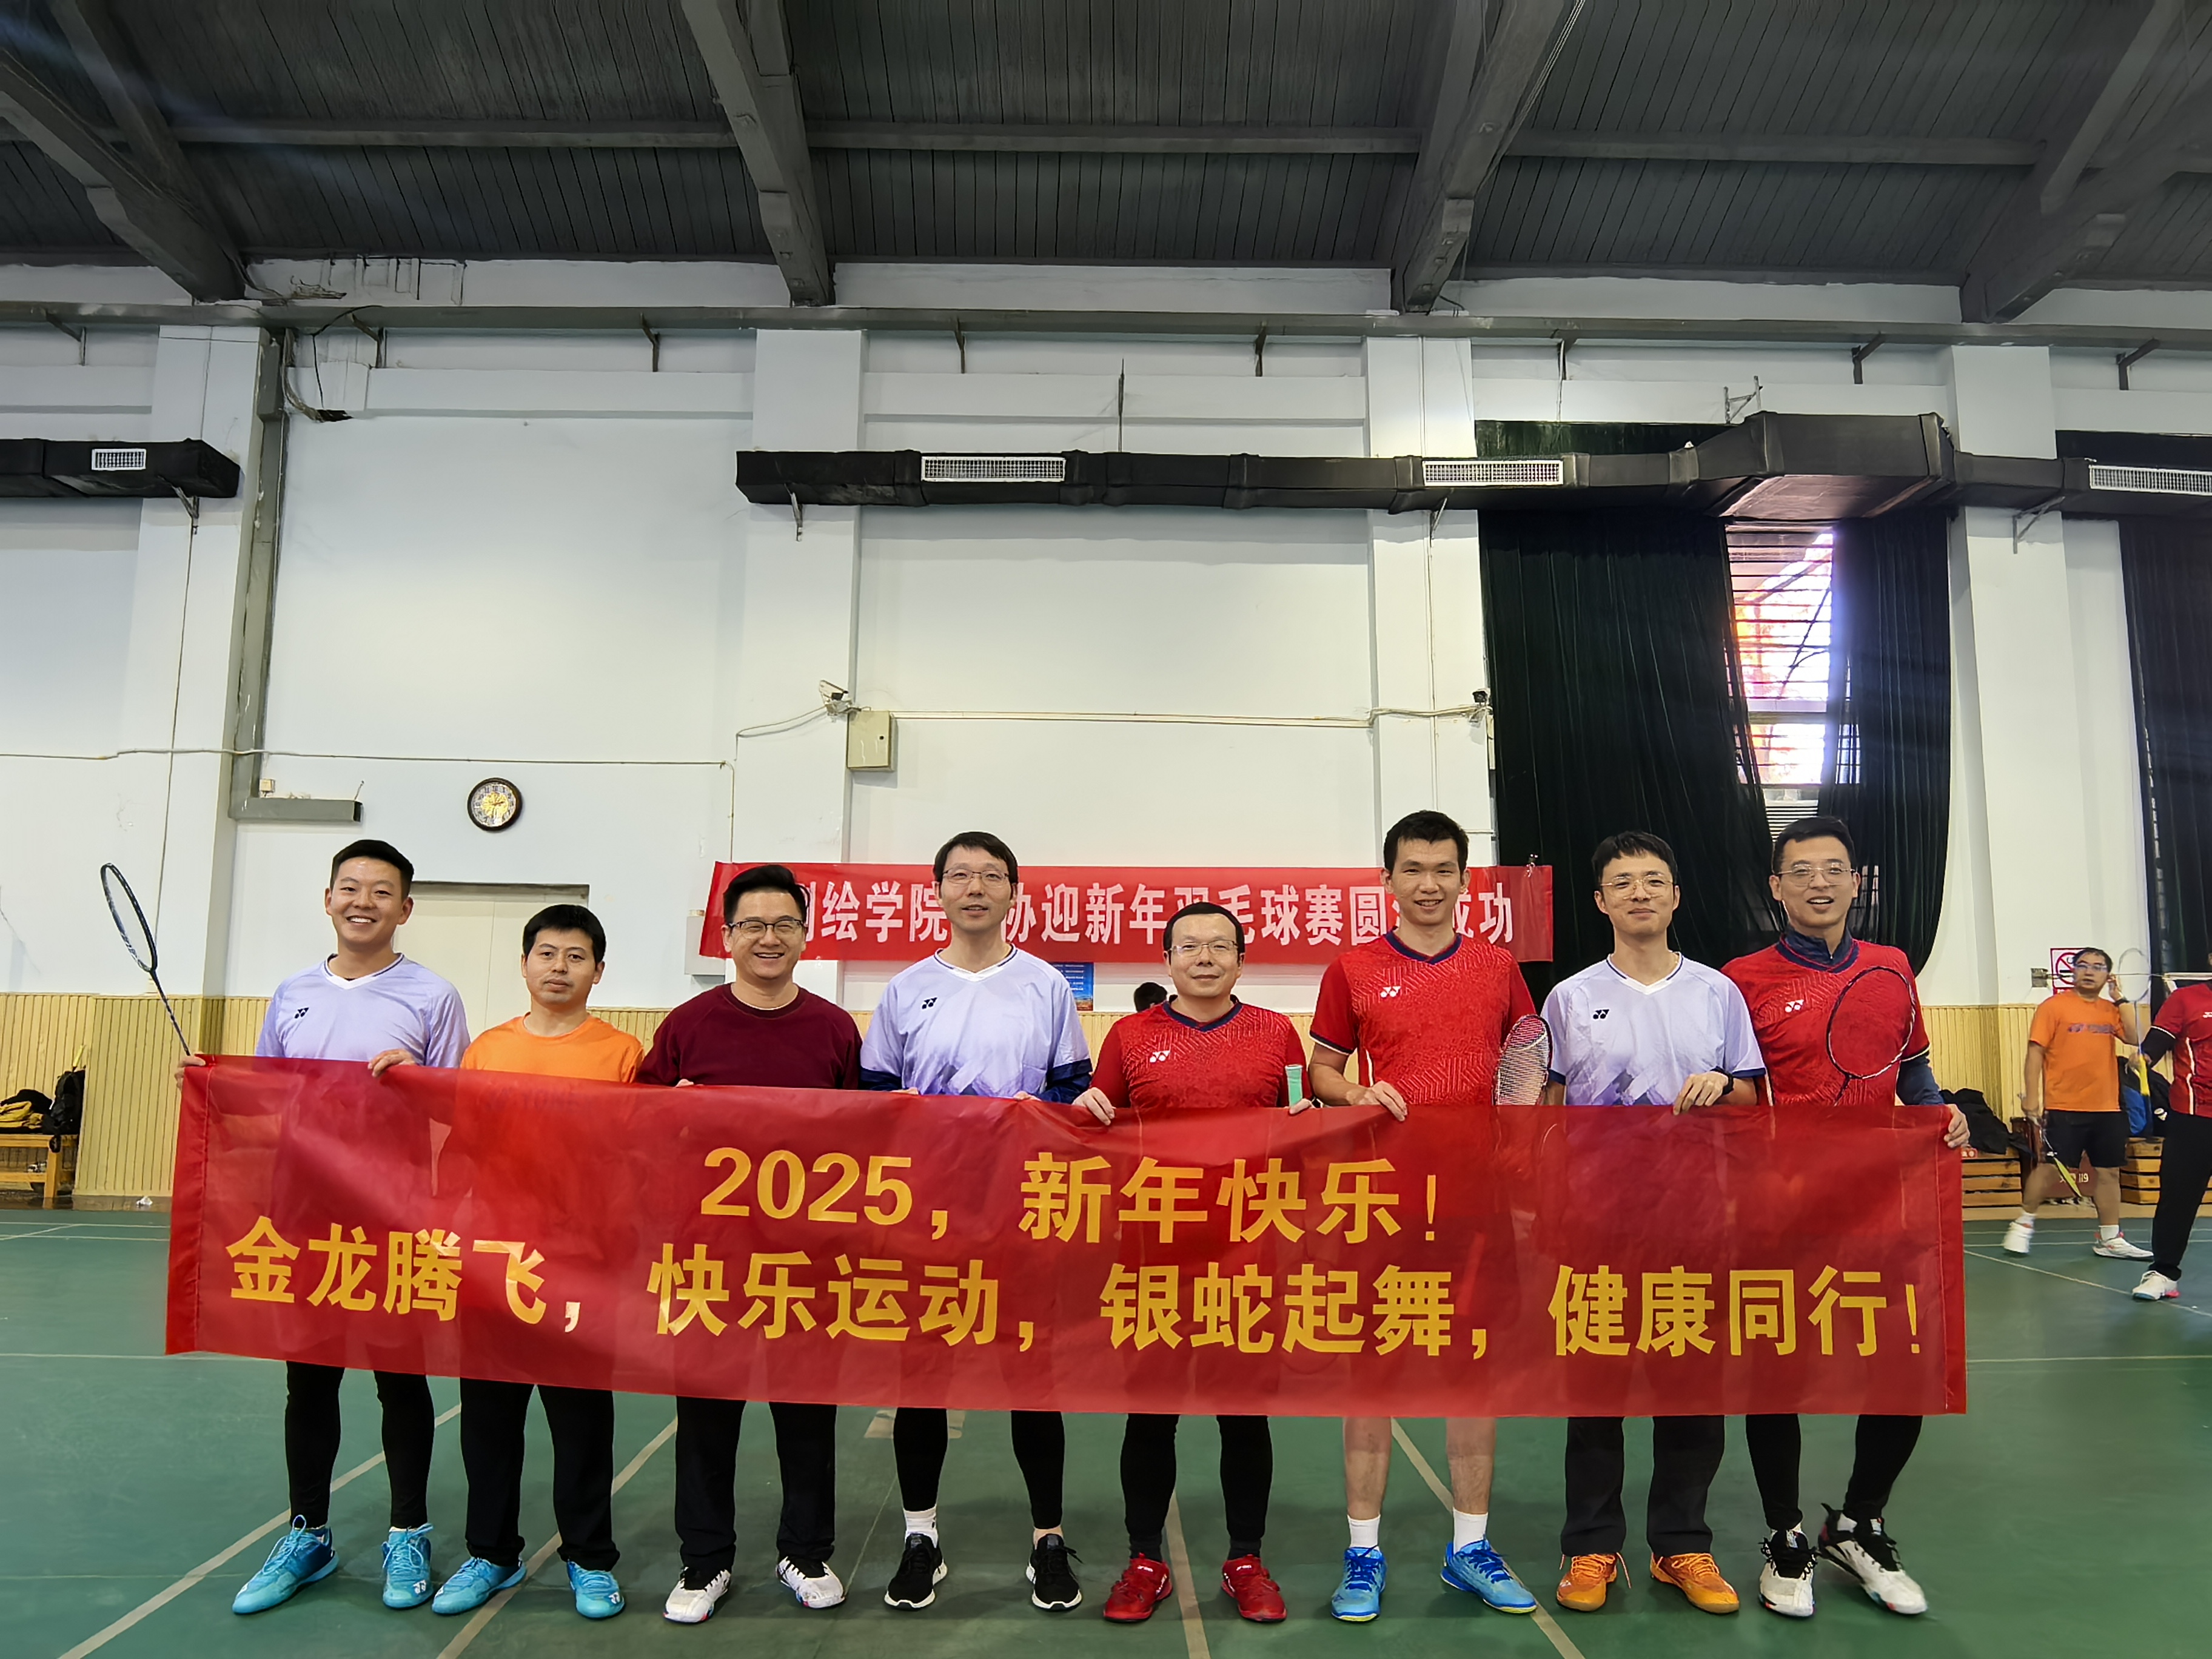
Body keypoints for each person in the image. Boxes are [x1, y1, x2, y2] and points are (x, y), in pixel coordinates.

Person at [199, 840, 470, 1616]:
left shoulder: (433, 996)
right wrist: (210, 1084)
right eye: (350, 888)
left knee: (400, 1377)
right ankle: (307, 1533)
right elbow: (266, 1096)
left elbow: (460, 1107)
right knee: (309, 1377)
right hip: (305, 1216)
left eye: (381, 892)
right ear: (327, 900)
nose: (363, 902)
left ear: (405, 909)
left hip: (393, 1215)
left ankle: (409, 1532)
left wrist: (416, 1084)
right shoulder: (292, 992)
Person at [1722, 816, 1970, 1621]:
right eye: (1801, 871)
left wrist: (1943, 1114)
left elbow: (1913, 1073)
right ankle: (1786, 1536)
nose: (1819, 883)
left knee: (1903, 1365)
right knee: (1777, 1373)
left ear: (1857, 880)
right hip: (1779, 1211)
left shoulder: (1892, 966)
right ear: (1777, 887)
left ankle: (1859, 1524)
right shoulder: (1741, 979)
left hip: (1881, 1208)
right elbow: (1731, 1089)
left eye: (1834, 868)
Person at [1293, 808, 1538, 1623]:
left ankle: (1470, 1547)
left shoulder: (1499, 968)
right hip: (1381, 1204)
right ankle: (1363, 1554)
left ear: (1465, 880)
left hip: (1477, 1202)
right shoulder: (1353, 969)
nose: (1428, 884)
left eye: (1443, 870)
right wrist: (1356, 1091)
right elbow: (1322, 1072)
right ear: (1388, 878)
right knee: (1372, 1377)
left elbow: (1528, 1065)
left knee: (1474, 1375)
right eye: (1413, 869)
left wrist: (1518, 1140)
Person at [860, 830, 1094, 1614]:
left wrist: (1037, 1112)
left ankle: (1048, 1541)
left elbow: (1074, 1090)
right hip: (927, 1217)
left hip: (1023, 1212)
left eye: (992, 876)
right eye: (960, 875)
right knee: (922, 1379)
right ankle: (919, 1537)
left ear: (1013, 893)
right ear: (938, 891)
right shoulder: (904, 991)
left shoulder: (1045, 986)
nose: (976, 888)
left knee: (1034, 1379)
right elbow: (871, 1101)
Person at [1541, 833, 1762, 1617]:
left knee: (1692, 1390)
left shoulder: (1717, 992)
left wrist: (1723, 1085)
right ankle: (1591, 1545)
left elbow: (1754, 1098)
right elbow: (1549, 1109)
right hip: (1597, 1222)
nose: (1640, 893)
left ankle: (1682, 1546)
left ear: (1675, 897)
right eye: (1623, 882)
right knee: (1595, 1392)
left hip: (1695, 1220)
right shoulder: (1568, 999)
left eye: (1654, 880)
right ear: (1600, 901)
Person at [638, 863, 861, 1624]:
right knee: (707, 1418)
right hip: (710, 1259)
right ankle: (705, 1562)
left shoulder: (834, 1029)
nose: (770, 938)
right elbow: (634, 1130)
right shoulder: (687, 1025)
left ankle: (807, 1553)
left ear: (806, 936)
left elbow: (866, 1140)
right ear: (727, 937)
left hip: (808, 1260)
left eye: (785, 925)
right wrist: (670, 1113)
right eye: (754, 926)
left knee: (808, 1416)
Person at [1073, 902, 1305, 1626]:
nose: (1205, 958)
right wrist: (1083, 1108)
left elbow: (1301, 1119)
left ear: (1242, 959)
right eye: (1189, 947)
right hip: (1154, 1256)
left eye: (1219, 946)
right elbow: (1098, 1119)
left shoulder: (1278, 1033)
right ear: (1166, 960)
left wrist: (1314, 1119)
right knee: (1150, 1416)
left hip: (1248, 1255)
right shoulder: (1130, 1036)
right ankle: (1146, 1560)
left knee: (1245, 1417)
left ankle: (1246, 1560)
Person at [431, 904, 639, 1621]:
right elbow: (461, 1153)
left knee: (582, 1422)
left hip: (581, 1267)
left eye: (576, 957)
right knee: (490, 1420)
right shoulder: (486, 1050)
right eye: (547, 953)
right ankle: (492, 1553)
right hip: (496, 1261)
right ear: (524, 964)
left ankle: (590, 1558)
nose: (559, 967)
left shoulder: (623, 1054)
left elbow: (636, 1160)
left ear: (598, 972)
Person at [2005, 947, 2150, 1261]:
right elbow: (2035, 1054)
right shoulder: (2053, 1007)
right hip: (2064, 1106)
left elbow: (2137, 1037)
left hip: (2107, 1107)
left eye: (2097, 967)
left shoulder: (2111, 1010)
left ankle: (2110, 1238)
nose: (2089, 971)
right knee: (2050, 1169)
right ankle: (2023, 1225)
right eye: (2083, 965)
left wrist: (2121, 999)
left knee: (2109, 1173)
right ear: (2073, 971)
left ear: (2107, 975)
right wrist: (2032, 1096)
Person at [2132, 968, 2212, 1301]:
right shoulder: (2185, 999)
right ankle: (2163, 1273)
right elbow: (2157, 1042)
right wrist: (2144, 1057)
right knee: (2178, 1200)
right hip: (2193, 1116)